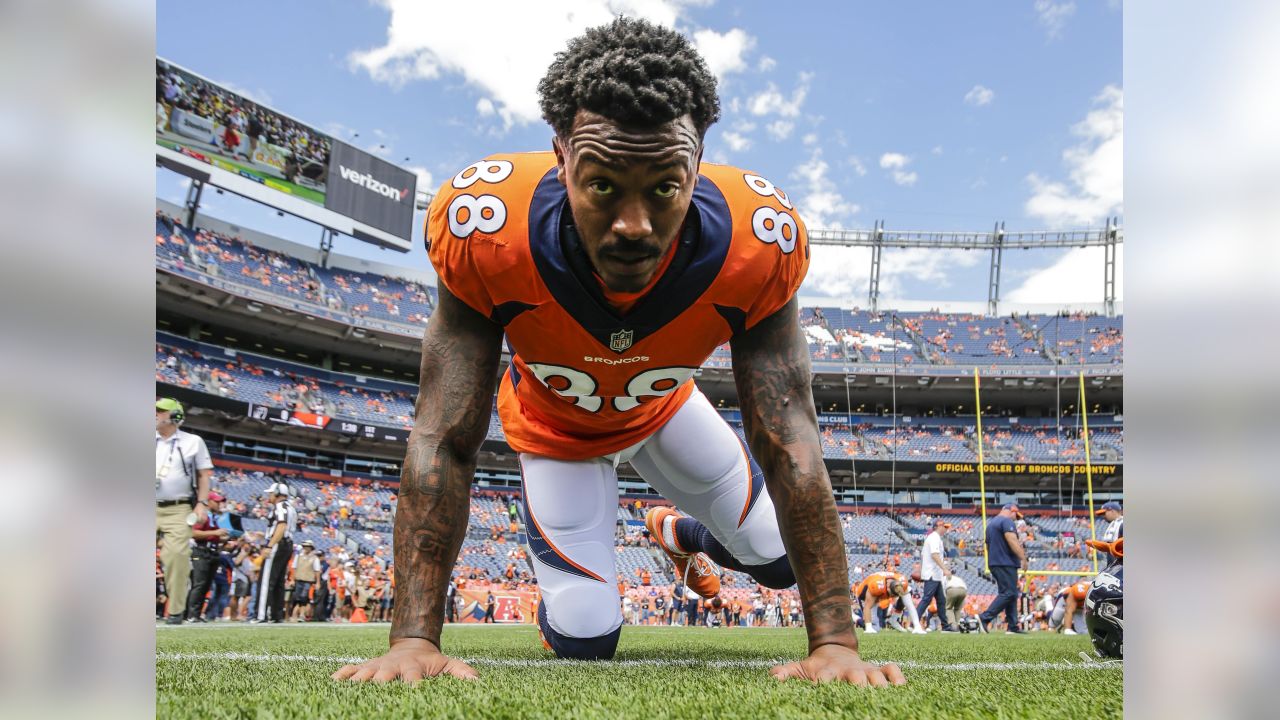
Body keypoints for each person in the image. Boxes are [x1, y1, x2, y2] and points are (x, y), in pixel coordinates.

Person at [334, 17, 903, 688]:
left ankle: (677, 533)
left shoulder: (756, 243)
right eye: (603, 185)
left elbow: (790, 436)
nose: (634, 225)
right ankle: (614, 574)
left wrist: (835, 643)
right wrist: (412, 639)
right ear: (561, 156)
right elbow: (444, 435)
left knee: (779, 560)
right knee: (586, 637)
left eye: (665, 187)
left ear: (697, 162)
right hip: (556, 434)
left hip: (661, 411)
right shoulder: (491, 228)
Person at [155, 398, 213, 625]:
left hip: (178, 508)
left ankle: (176, 611)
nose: (155, 414)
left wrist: (202, 503)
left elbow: (203, 475)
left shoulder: (193, 442)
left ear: (175, 416)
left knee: (176, 557)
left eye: (160, 411)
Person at [978, 503, 1029, 634]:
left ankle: (1012, 626)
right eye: (1015, 515)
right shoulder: (1006, 521)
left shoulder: (991, 524)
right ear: (1011, 511)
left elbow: (988, 546)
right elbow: (1012, 540)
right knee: (1009, 593)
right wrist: (1023, 558)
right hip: (1005, 562)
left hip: (996, 562)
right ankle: (984, 618)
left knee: (1010, 593)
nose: (1015, 518)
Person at [184, 491, 229, 621]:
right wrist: (215, 532)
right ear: (208, 502)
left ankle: (196, 614)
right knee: (199, 584)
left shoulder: (215, 518)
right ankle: (191, 614)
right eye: (216, 501)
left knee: (206, 585)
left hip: (212, 552)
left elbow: (211, 536)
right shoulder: (202, 515)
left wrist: (223, 539)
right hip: (201, 551)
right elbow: (194, 533)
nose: (219, 504)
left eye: (220, 501)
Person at [255, 483, 296, 623]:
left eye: (271, 493)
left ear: (277, 493)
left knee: (267, 580)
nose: (269, 496)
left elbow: (282, 525)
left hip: (279, 544)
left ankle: (261, 615)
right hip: (287, 544)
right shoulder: (290, 507)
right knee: (279, 581)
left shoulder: (280, 507)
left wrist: (270, 545)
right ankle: (276, 614)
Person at [915, 518, 957, 632]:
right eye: (944, 527)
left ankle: (945, 625)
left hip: (935, 574)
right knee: (927, 599)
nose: (946, 529)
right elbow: (934, 555)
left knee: (941, 601)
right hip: (932, 574)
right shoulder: (934, 537)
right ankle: (914, 623)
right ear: (938, 526)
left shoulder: (935, 538)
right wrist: (945, 569)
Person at [853, 571, 925, 634]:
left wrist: (917, 626)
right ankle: (855, 618)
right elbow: (867, 606)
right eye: (893, 595)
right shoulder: (876, 585)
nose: (893, 597)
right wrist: (868, 627)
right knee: (873, 627)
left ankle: (897, 620)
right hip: (864, 594)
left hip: (881, 590)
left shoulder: (902, 582)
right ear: (888, 587)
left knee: (908, 592)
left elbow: (910, 605)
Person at [290, 540, 321, 622]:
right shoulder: (298, 556)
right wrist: (292, 579)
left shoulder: (315, 558)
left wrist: (318, 582)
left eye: (308, 546)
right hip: (298, 579)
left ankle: (301, 614)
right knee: (297, 598)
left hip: (308, 580)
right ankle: (296, 615)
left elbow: (317, 570)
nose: (306, 548)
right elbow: (294, 568)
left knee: (304, 598)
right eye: (305, 546)